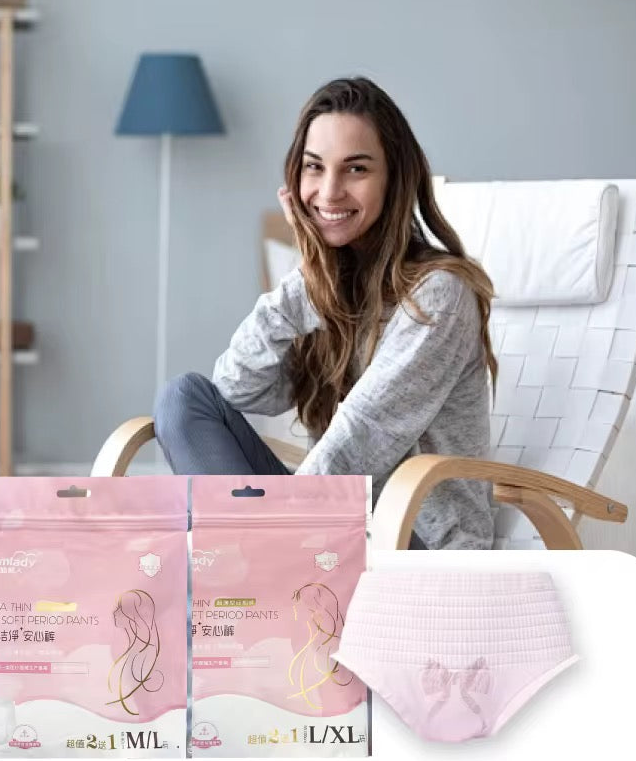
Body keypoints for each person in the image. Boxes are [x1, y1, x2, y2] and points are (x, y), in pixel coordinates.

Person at [154, 77, 497, 550]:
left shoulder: (439, 294)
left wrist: (278, 526)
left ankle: (250, 570)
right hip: (320, 522)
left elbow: (363, 437)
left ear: (394, 179)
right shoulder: (325, 289)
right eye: (314, 168)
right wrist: (309, 276)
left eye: (355, 169)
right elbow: (235, 387)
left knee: (212, 570)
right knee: (184, 399)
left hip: (413, 539)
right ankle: (253, 570)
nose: (329, 191)